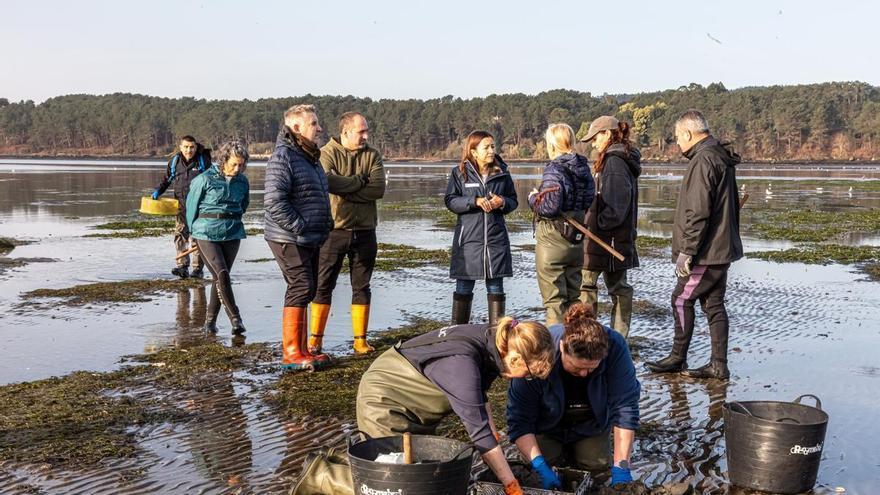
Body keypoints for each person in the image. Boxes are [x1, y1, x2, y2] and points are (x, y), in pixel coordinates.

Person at [356, 318, 556, 495]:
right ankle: (326, 475)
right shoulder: (463, 365)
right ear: (515, 359)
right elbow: (480, 436)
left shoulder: (497, 342)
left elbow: (480, 400)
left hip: (417, 408)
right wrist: (512, 488)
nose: (527, 379)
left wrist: (495, 439)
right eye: (529, 374)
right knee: (389, 483)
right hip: (384, 399)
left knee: (423, 477)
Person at [645, 109, 743, 380]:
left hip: (707, 252)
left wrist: (687, 251)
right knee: (714, 305)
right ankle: (718, 365)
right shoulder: (719, 157)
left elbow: (698, 212)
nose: (677, 143)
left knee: (680, 299)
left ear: (688, 133)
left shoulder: (704, 160)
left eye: (677, 137)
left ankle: (677, 358)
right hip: (721, 250)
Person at [507, 302, 640, 489]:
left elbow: (625, 408)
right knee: (544, 469)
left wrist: (622, 467)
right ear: (561, 347)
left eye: (591, 369)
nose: (584, 374)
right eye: (577, 368)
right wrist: (539, 465)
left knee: (597, 467)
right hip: (545, 424)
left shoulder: (615, 347)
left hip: (591, 423)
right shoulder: (538, 351)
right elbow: (520, 419)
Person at [310, 112, 386, 356]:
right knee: (323, 286)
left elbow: (377, 189)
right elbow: (327, 182)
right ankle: (315, 340)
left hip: (365, 231)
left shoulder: (372, 155)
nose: (365, 135)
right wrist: (358, 182)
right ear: (345, 132)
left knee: (362, 286)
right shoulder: (326, 152)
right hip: (333, 231)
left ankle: (360, 341)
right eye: (360, 131)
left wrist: (347, 188)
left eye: (366, 131)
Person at [264, 104, 333, 370]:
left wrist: (324, 225)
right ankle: (291, 353)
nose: (319, 128)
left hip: (310, 237)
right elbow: (274, 201)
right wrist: (300, 225)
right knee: (301, 286)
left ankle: (303, 350)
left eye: (317, 123)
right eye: (314, 123)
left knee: (309, 288)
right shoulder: (284, 157)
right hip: (287, 236)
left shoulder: (309, 156)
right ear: (297, 128)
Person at [444, 131, 518, 326]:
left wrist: (501, 202)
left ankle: (497, 335)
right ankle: (458, 333)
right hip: (468, 241)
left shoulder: (502, 172)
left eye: (493, 146)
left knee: (495, 287)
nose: (492, 150)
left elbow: (513, 201)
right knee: (463, 287)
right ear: (473, 151)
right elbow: (451, 201)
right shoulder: (459, 172)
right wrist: (474, 201)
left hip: (495, 241)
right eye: (486, 147)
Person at [578, 116, 642, 338]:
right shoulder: (616, 158)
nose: (593, 144)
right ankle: (609, 339)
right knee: (613, 289)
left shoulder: (614, 162)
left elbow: (616, 206)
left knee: (590, 288)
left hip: (607, 239)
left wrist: (595, 224)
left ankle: (592, 340)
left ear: (607, 134)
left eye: (595, 138)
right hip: (612, 239)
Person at [529, 123, 595, 325]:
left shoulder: (554, 168)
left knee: (554, 302)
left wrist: (533, 198)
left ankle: (557, 351)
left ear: (552, 144)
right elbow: (589, 199)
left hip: (552, 241)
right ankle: (579, 343)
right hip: (575, 240)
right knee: (574, 299)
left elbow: (549, 207)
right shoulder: (584, 167)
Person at [186, 139, 250, 334]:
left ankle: (209, 323)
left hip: (232, 232)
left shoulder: (243, 181)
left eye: (241, 165)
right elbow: (191, 208)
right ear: (223, 160)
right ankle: (235, 318)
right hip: (205, 232)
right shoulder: (204, 179)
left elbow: (244, 205)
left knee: (220, 278)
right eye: (234, 164)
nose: (237, 168)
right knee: (221, 273)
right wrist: (193, 234)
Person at [152, 135, 211, 279]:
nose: (189, 150)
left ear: (196, 147)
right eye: (186, 147)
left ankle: (197, 269)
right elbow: (166, 180)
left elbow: (212, 182)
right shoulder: (175, 162)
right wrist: (158, 191)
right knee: (180, 236)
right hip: (180, 207)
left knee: (198, 239)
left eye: (191, 147)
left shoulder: (203, 161)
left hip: (199, 208)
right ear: (180, 147)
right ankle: (182, 267)